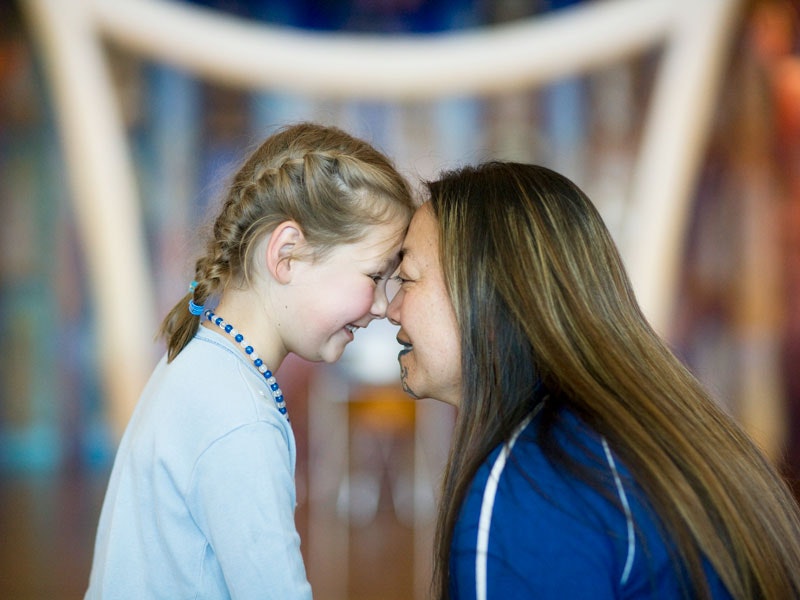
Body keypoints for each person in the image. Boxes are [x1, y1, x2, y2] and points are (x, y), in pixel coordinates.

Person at [387, 161, 800, 599]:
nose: (390, 310)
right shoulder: (651, 432)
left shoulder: (535, 477)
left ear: (490, 298)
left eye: (407, 280)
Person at [85, 122, 415, 599]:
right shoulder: (240, 416)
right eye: (374, 275)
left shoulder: (199, 361)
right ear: (287, 254)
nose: (384, 307)